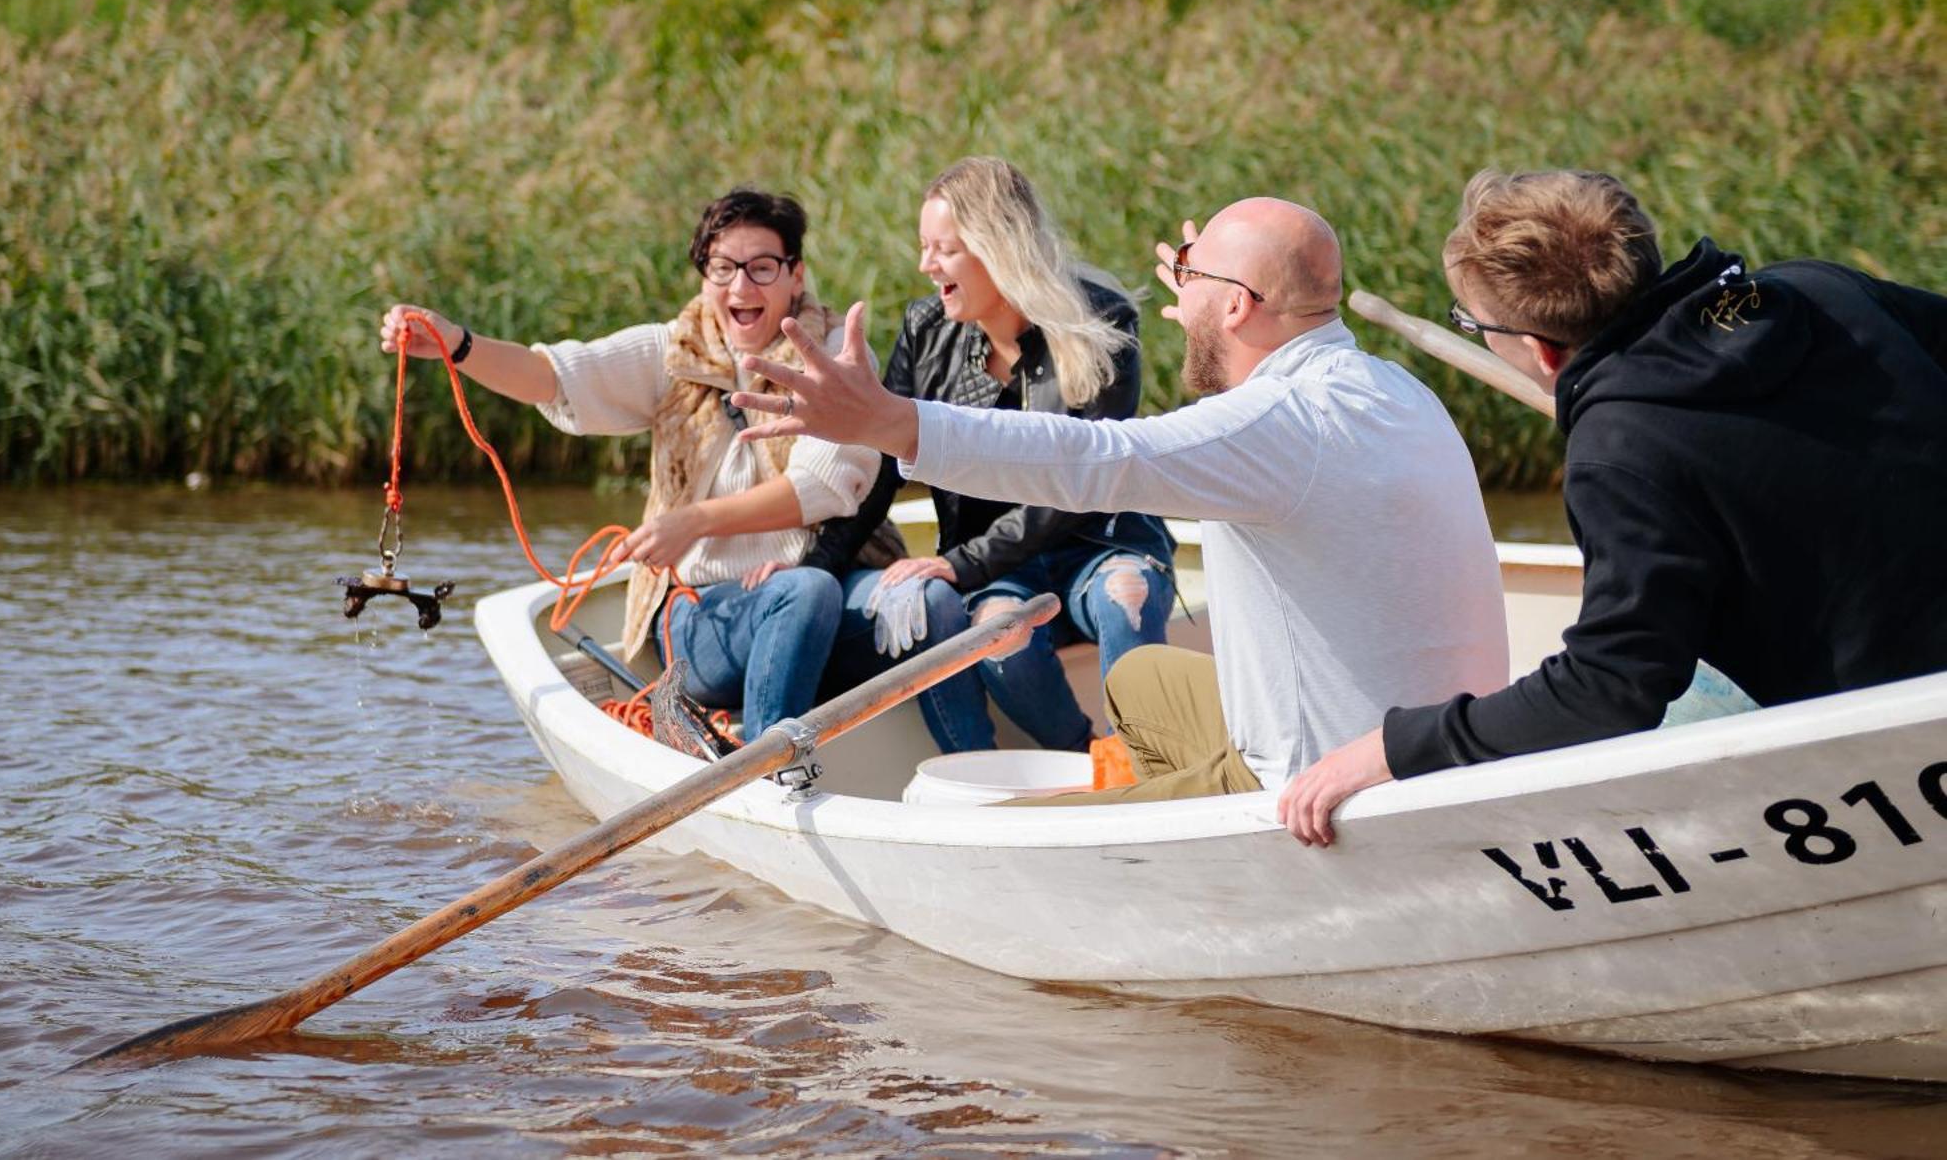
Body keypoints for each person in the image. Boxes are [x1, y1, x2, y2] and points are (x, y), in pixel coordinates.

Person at [730, 197, 1511, 802]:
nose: (1180, 297)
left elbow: (1093, 456)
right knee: (1138, 682)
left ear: (1237, 305)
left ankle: (1175, 801)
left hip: (1321, 778)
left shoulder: (1274, 424)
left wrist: (893, 421)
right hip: (1425, 734)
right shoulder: (1394, 388)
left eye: (1195, 279)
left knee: (995, 828)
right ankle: (1160, 770)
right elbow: (1234, 336)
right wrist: (1214, 292)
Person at [1277, 169, 1947, 845]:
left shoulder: (1621, 454)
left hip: (1899, 734)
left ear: (1538, 350)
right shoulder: (1817, 290)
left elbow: (1612, 687)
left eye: (1470, 321)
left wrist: (1396, 747)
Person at [379, 188, 881, 741]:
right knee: (804, 593)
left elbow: (825, 486)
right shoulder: (671, 353)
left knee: (926, 606)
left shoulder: (835, 351)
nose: (741, 287)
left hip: (823, 582)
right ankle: (765, 768)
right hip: (701, 613)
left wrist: (693, 520)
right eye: (723, 268)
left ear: (797, 275)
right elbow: (551, 376)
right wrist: (458, 344)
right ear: (704, 278)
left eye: (762, 268)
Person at [781, 157, 1176, 755]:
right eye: (924, 247)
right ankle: (1089, 756)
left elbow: (1080, 482)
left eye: (944, 249)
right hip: (1000, 568)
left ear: (999, 248)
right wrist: (816, 565)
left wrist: (959, 565)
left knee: (1129, 594)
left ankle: (1150, 762)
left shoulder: (1102, 319)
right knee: (997, 634)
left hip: (1101, 541)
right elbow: (884, 465)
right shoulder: (925, 328)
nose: (925, 266)